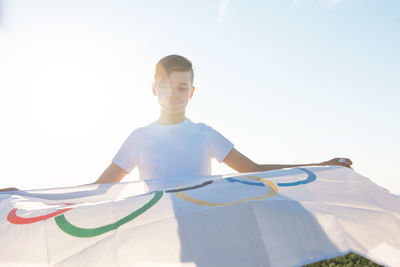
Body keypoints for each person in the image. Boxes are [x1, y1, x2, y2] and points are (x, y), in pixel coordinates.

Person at [0, 54, 352, 192]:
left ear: (192, 92)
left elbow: (255, 169)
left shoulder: (205, 135)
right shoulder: (139, 138)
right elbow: (98, 188)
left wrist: (319, 165)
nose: (174, 93)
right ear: (154, 88)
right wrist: (27, 195)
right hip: (155, 235)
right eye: (167, 86)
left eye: (182, 87)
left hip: (206, 232)